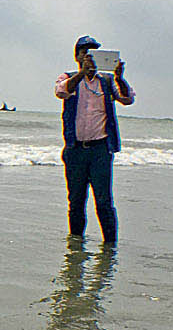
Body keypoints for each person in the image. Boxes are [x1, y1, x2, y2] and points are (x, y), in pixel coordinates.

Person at [54, 35, 134, 243]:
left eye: (93, 53)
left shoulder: (107, 81)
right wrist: (81, 74)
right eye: (84, 53)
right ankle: (76, 244)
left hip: (100, 149)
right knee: (76, 201)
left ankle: (110, 247)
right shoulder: (68, 77)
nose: (89, 57)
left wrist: (120, 77)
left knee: (104, 201)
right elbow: (62, 92)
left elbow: (127, 98)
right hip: (75, 150)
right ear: (77, 56)